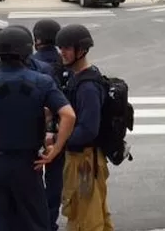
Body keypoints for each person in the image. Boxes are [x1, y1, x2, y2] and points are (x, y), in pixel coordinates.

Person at [0, 26, 76, 230]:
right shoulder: (42, 82)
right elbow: (68, 115)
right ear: (27, 51)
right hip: (29, 165)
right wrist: (55, 150)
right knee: (35, 223)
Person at [57, 24, 115, 230]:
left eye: (67, 48)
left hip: (84, 162)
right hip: (87, 158)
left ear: (81, 50)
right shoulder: (78, 78)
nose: (62, 52)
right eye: (60, 47)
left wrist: (58, 141)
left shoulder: (87, 86)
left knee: (85, 218)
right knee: (96, 213)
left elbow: (88, 130)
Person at [32, 18, 68, 230]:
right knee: (55, 183)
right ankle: (49, 223)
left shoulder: (31, 62)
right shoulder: (64, 61)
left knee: (33, 181)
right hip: (59, 131)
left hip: (35, 131)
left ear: (36, 39)